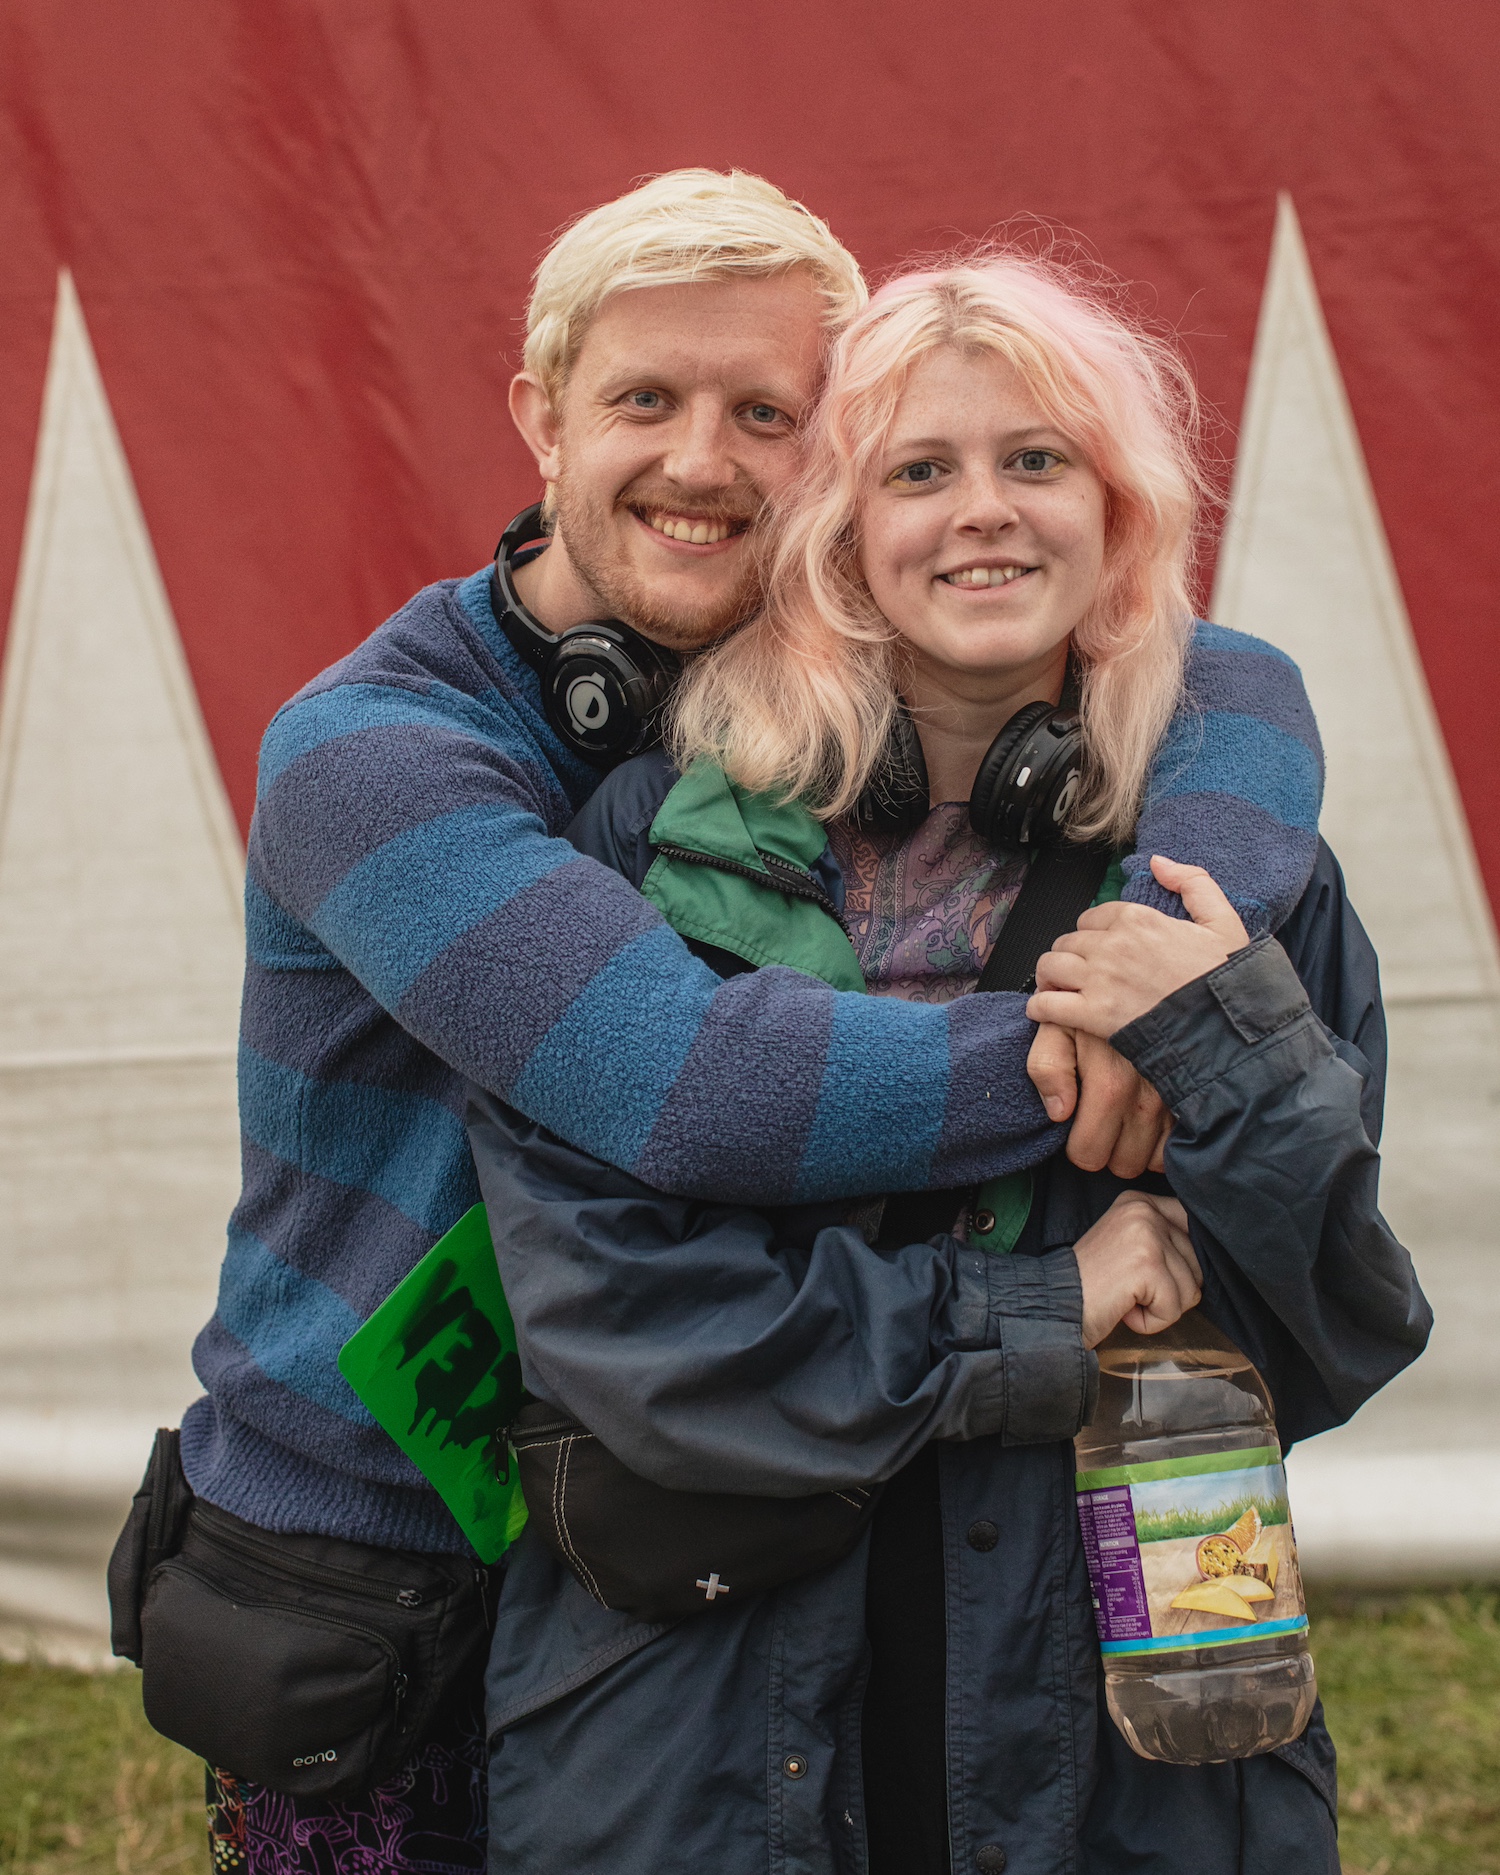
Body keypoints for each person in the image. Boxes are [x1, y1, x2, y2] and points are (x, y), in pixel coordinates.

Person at [167, 173, 1321, 1868]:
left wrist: (1172, 927)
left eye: (766, 412)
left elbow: (1222, 676)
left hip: (664, 1537)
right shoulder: (369, 753)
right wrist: (1135, 1029)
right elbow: (695, 1082)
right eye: (645, 399)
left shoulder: (768, 708)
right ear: (539, 421)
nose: (704, 461)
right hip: (387, 1564)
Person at [466, 255, 1430, 1873]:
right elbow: (620, 1329)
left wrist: (1207, 1029)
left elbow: (1330, 1323)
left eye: (1036, 460)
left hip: (1126, 1748)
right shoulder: (644, 848)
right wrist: (1046, 1315)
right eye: (921, 470)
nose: (983, 510)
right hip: (700, 1735)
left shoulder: (1233, 887)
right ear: (838, 528)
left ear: (1113, 510)